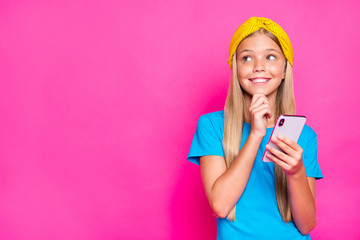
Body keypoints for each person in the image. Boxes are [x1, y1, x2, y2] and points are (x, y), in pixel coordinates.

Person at [187, 17, 323, 239]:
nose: (259, 66)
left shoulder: (304, 136)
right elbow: (220, 205)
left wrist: (296, 172)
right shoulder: (211, 126)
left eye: (270, 57)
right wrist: (256, 134)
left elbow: (307, 225)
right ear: (235, 68)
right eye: (247, 58)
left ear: (284, 69)